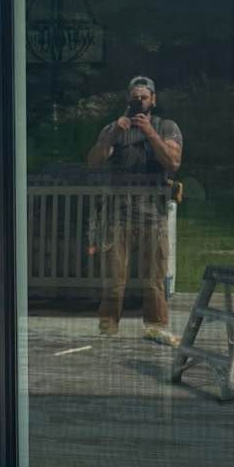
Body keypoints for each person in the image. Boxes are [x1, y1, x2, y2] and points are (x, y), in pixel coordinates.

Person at [86, 76, 182, 343]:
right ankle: (108, 328)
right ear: (127, 99)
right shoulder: (115, 127)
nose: (139, 101)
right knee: (114, 277)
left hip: (154, 210)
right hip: (119, 211)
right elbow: (93, 161)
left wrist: (150, 132)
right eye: (134, 97)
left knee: (155, 277)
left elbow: (173, 162)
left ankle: (155, 328)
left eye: (144, 97)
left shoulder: (166, 126)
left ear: (153, 99)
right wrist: (111, 134)